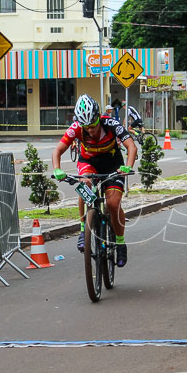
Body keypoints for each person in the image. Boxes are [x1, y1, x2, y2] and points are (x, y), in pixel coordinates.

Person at [51, 94, 138, 267]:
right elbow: (58, 150)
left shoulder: (111, 123)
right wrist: (57, 168)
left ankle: (120, 243)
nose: (90, 131)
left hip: (113, 164)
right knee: (85, 185)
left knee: (113, 204)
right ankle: (84, 229)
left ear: (98, 117)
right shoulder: (76, 128)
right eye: (86, 128)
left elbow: (131, 146)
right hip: (89, 163)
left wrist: (127, 166)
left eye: (93, 126)